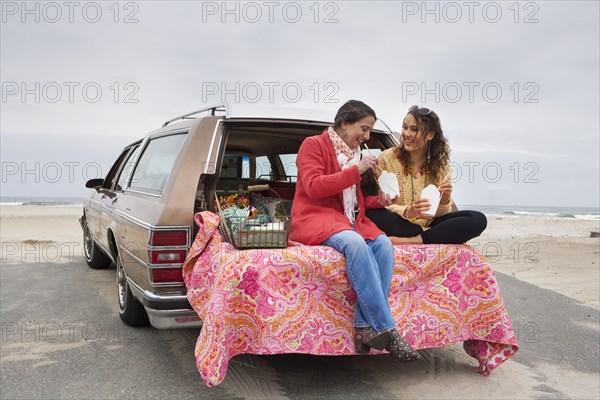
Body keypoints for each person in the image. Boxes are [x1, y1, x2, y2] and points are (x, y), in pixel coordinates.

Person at [290, 100, 419, 361]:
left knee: (382, 244)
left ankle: (363, 328)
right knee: (356, 243)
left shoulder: (353, 154)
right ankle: (385, 328)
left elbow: (353, 200)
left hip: (345, 221)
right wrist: (355, 170)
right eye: (364, 128)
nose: (367, 136)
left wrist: (378, 202)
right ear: (345, 122)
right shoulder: (313, 145)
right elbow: (314, 187)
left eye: (370, 131)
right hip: (315, 219)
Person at [366, 105, 487, 245]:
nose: (407, 134)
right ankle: (429, 234)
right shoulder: (386, 158)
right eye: (405, 127)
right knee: (374, 215)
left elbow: (440, 214)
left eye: (415, 129)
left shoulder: (440, 166)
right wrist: (408, 211)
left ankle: (415, 239)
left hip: (425, 225)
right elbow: (379, 203)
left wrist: (444, 200)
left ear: (430, 135)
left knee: (477, 219)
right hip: (398, 221)